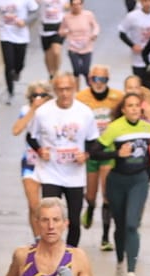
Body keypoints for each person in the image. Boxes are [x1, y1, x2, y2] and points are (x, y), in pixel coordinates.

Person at [93, 91, 150, 276]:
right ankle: (120, 262)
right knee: (120, 225)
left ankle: (131, 272)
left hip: (139, 180)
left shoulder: (148, 127)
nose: (133, 109)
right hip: (117, 180)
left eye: (136, 105)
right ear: (123, 109)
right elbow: (95, 152)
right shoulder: (114, 128)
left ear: (141, 107)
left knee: (132, 224)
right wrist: (117, 153)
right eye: (129, 106)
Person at [28, 71, 99, 245]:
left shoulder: (84, 112)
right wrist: (39, 150)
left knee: (73, 221)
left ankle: (71, 256)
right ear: (54, 90)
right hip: (50, 172)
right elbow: (31, 137)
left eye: (68, 89)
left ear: (74, 88)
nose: (64, 93)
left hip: (74, 175)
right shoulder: (43, 112)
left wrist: (86, 154)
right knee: (49, 219)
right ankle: (50, 252)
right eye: (60, 89)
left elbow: (94, 141)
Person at [79, 64, 123, 248]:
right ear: (90, 79)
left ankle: (105, 238)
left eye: (103, 79)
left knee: (107, 195)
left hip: (108, 150)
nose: (99, 83)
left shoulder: (117, 97)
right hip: (90, 151)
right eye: (96, 79)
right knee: (91, 194)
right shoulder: (81, 98)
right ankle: (89, 207)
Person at [12, 81, 54, 233]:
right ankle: (38, 239)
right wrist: (33, 111)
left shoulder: (54, 111)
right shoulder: (26, 110)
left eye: (42, 95)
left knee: (49, 207)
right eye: (34, 95)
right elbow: (16, 130)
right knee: (34, 205)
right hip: (30, 162)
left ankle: (49, 235)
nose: (38, 98)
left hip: (50, 163)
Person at [0, 0, 42, 99]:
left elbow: (36, 13)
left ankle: (17, 72)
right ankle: (10, 91)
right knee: (9, 64)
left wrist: (25, 21)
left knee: (20, 64)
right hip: (5, 35)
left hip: (21, 36)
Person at [119, 0, 150, 77]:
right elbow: (122, 33)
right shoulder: (132, 16)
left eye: (149, 1)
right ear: (140, 2)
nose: (147, 3)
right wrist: (132, 45)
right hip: (139, 60)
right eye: (144, 1)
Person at [60, 0, 100, 79]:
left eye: (78, 4)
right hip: (73, 47)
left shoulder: (88, 15)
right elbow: (61, 30)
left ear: (82, 5)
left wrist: (94, 34)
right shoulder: (66, 17)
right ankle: (76, 88)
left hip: (86, 47)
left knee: (86, 71)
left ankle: (90, 87)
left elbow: (96, 26)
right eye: (74, 4)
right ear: (71, 6)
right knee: (76, 70)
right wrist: (65, 32)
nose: (76, 6)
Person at [38, 0, 67, 78]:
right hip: (46, 26)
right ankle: (51, 74)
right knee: (48, 53)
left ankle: (57, 73)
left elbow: (71, 5)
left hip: (60, 26)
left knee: (56, 52)